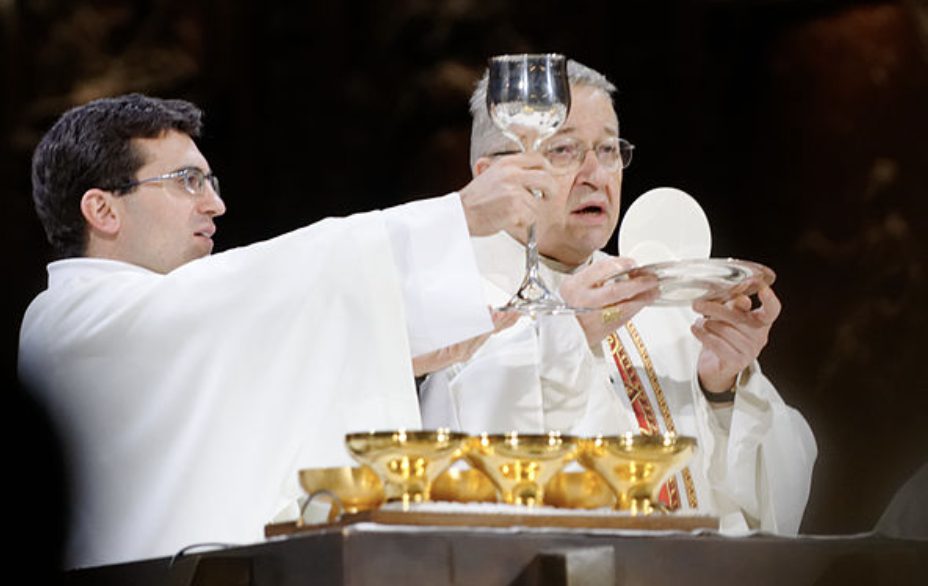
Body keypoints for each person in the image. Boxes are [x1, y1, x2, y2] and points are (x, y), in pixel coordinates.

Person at [18, 93, 535, 567]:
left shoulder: (170, 329)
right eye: (186, 181)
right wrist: (456, 215)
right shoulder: (71, 323)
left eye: (209, 182)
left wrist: (389, 354)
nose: (214, 205)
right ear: (103, 209)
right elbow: (248, 290)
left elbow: (242, 399)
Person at [419, 60, 817, 535]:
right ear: (492, 175)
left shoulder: (660, 293)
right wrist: (569, 336)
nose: (596, 174)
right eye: (564, 149)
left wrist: (723, 389)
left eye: (608, 149)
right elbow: (466, 492)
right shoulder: (458, 306)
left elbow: (781, 490)